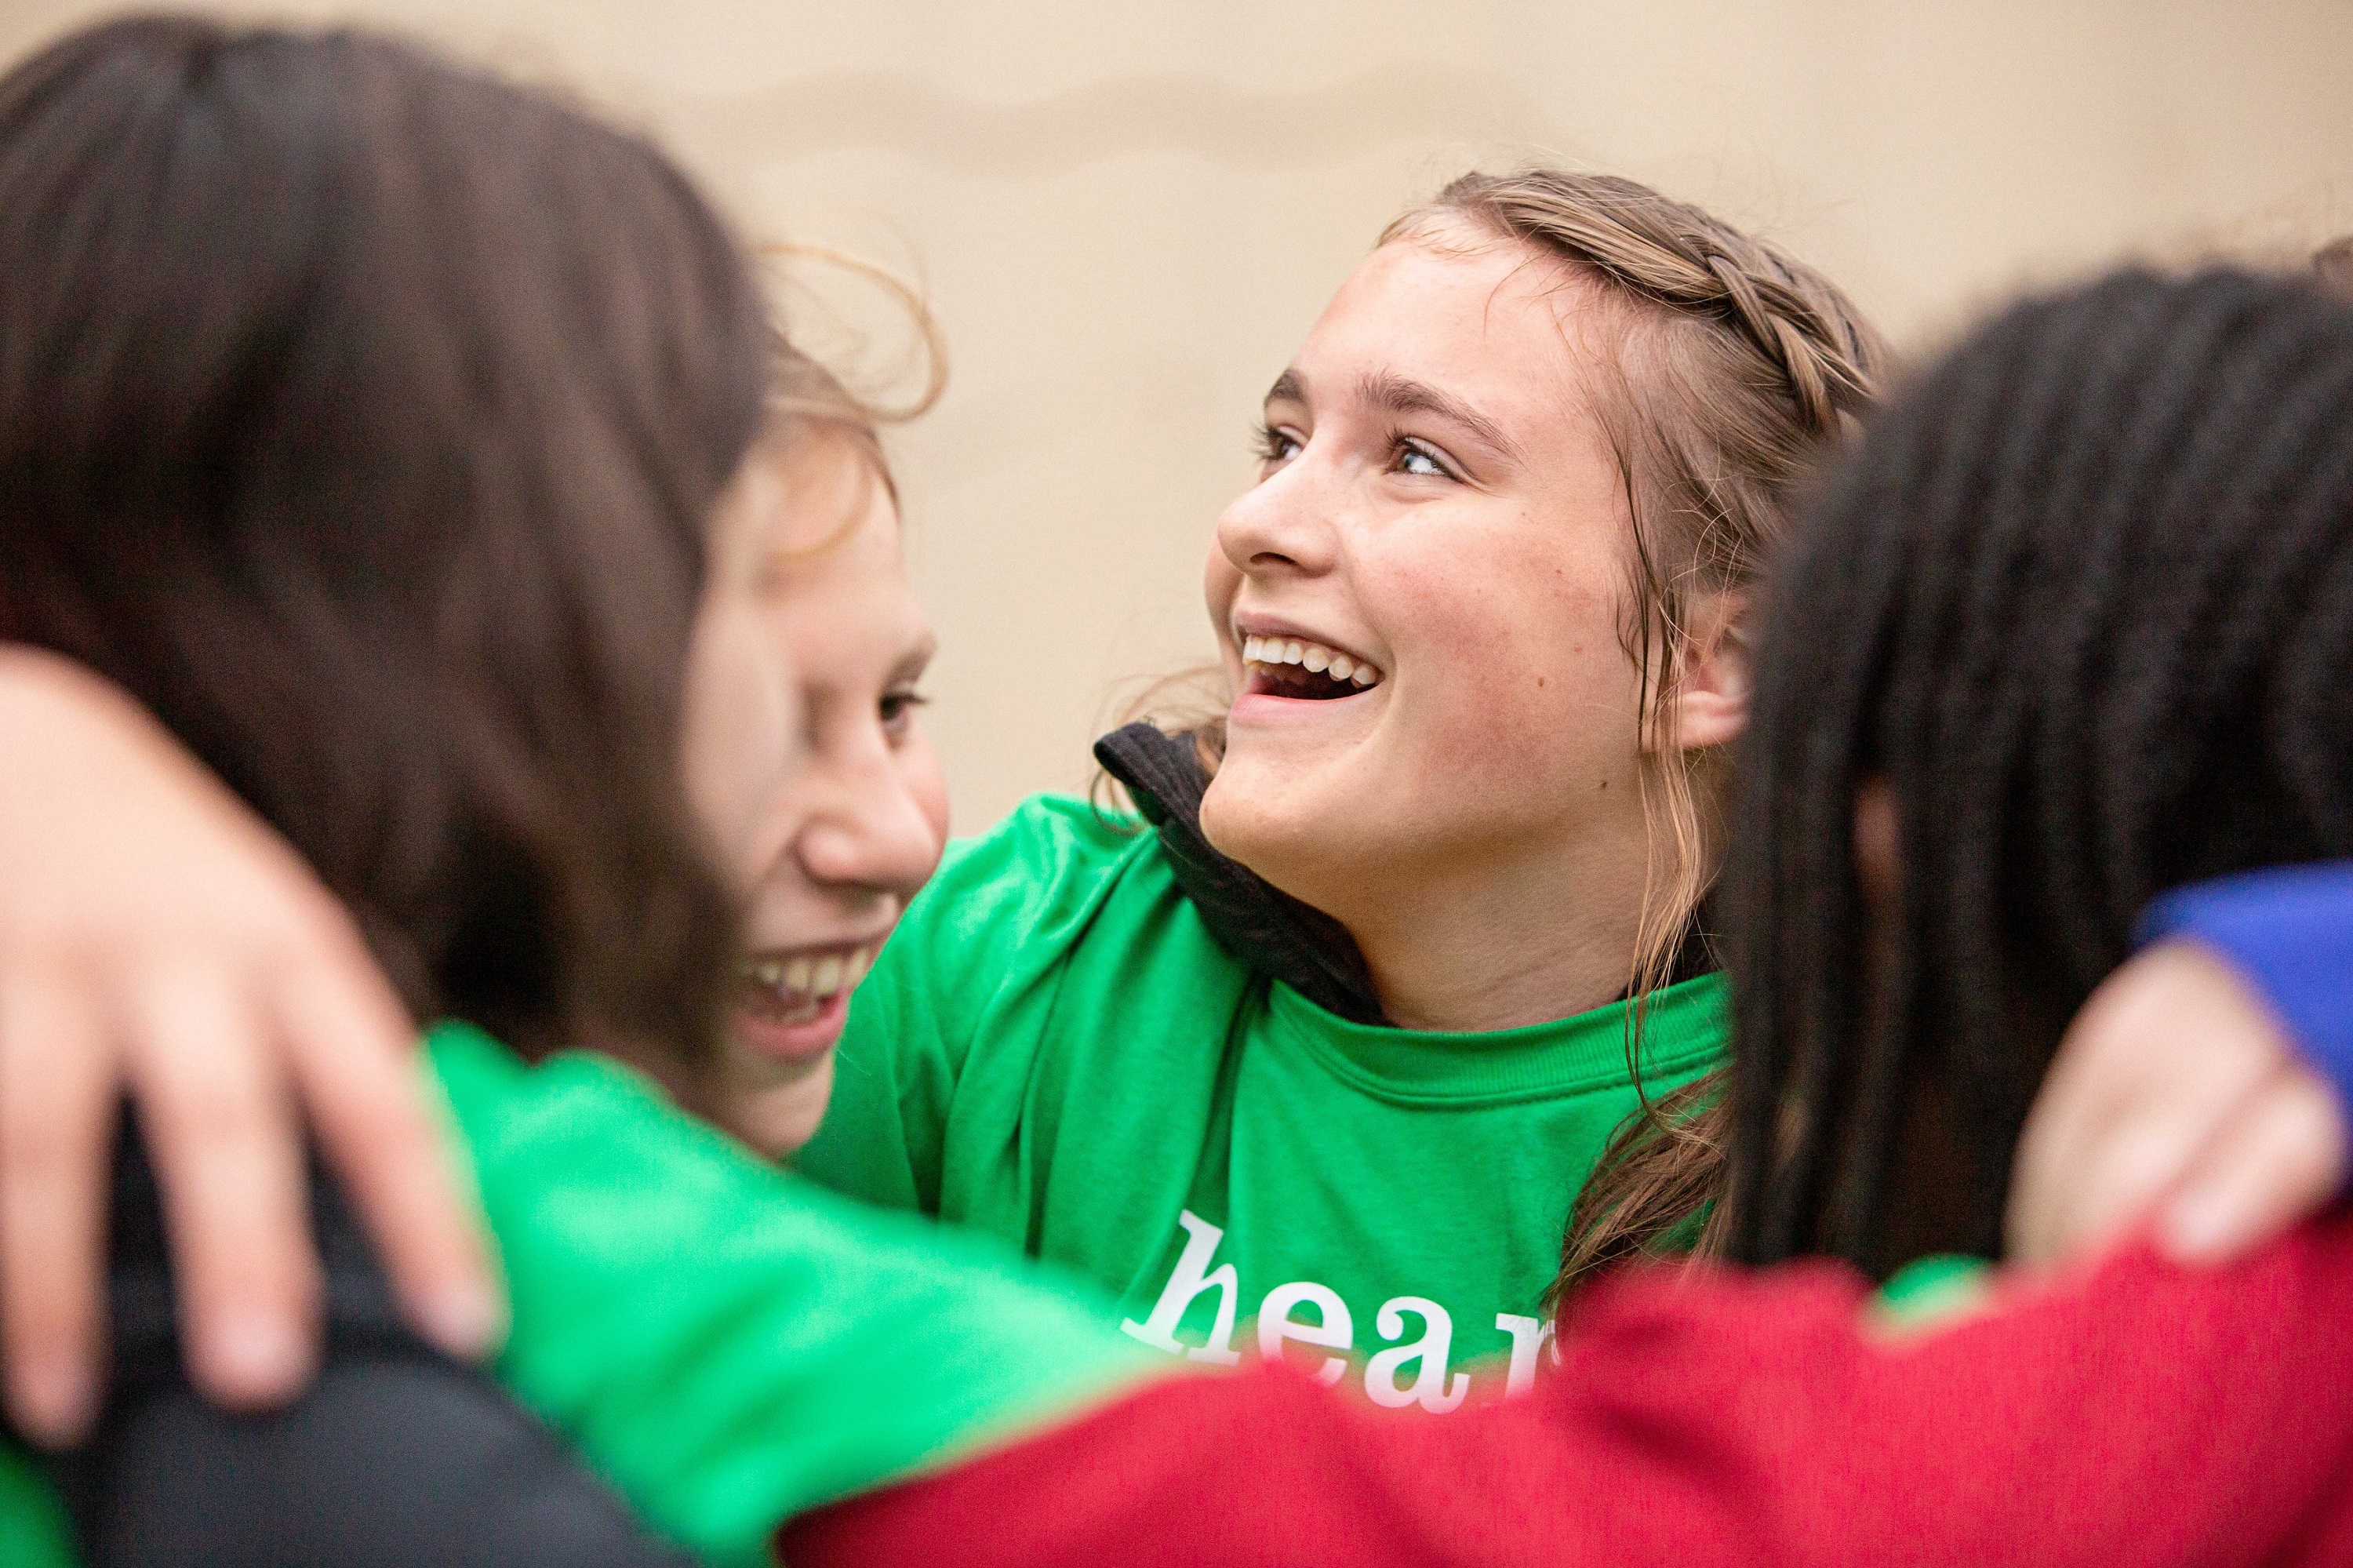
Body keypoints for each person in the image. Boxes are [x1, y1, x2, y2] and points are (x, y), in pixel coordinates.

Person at [784, 262, 2353, 1567]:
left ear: (1719, 660)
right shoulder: (1011, 955)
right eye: (1280, 435)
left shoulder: (1885, 1117)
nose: (1262, 518)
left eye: (1417, 457)